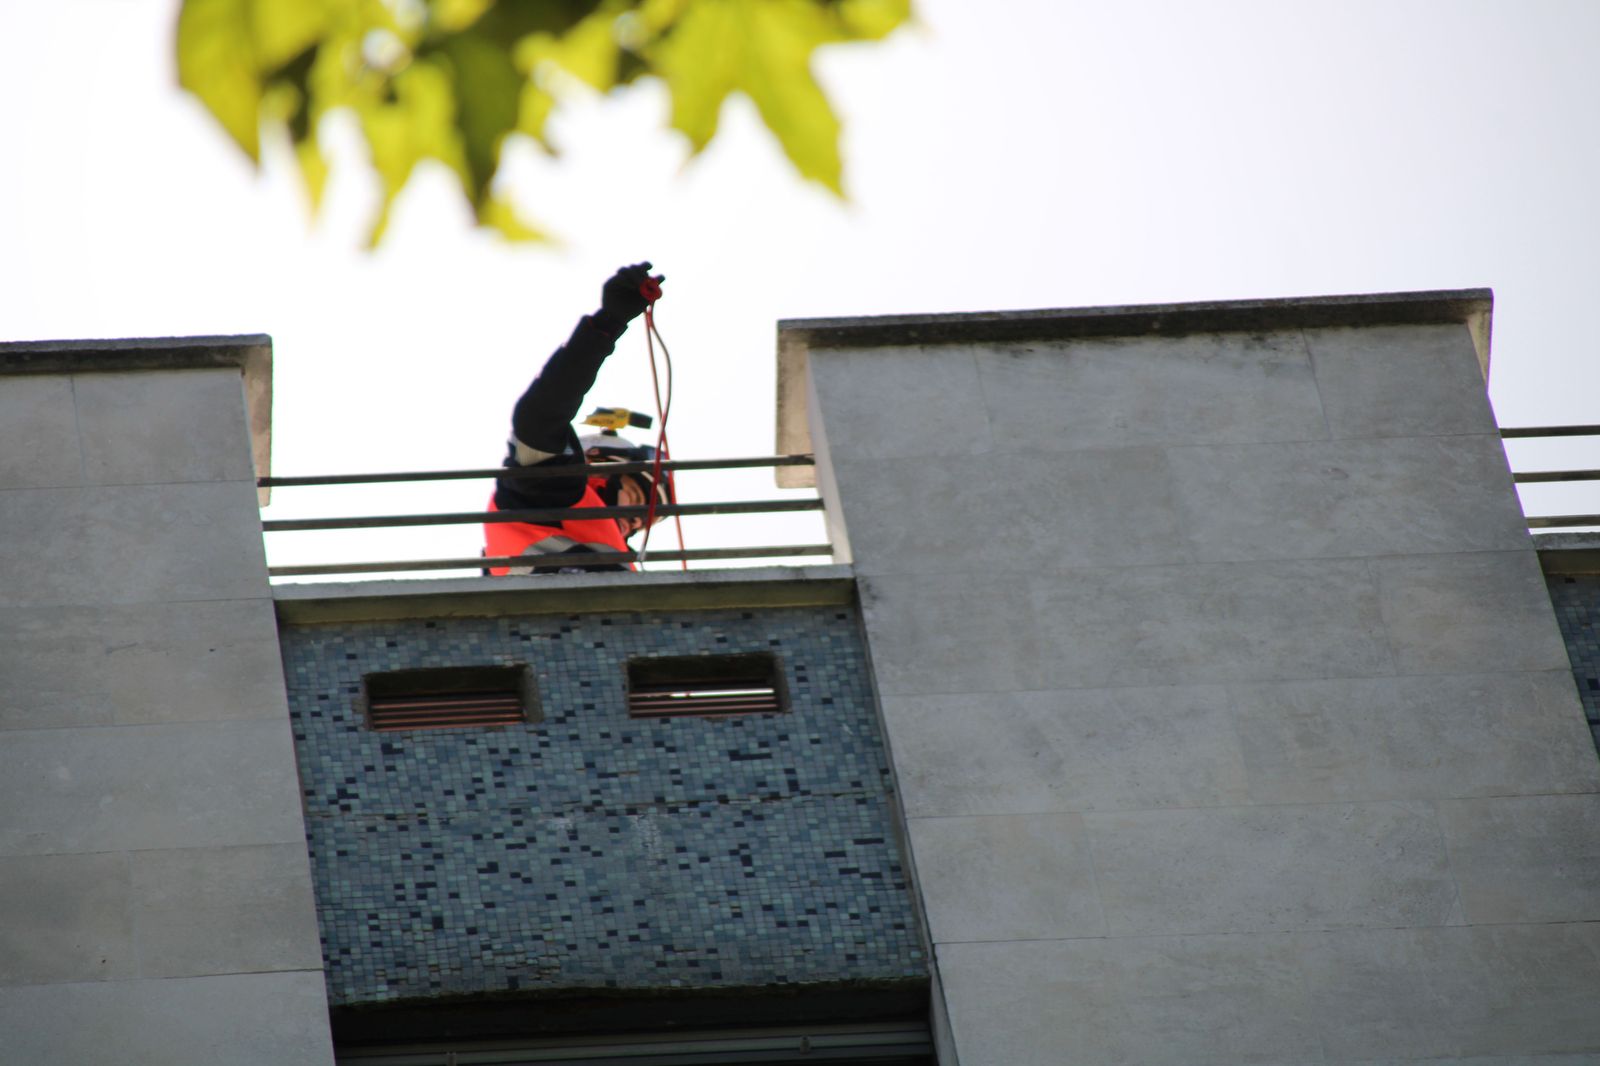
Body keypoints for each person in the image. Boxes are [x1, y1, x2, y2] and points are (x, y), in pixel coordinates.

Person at [485, 262, 672, 575]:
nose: (637, 522)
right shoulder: (550, 492)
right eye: (638, 498)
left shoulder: (616, 556)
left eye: (644, 522)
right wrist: (607, 324)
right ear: (598, 469)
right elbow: (541, 414)